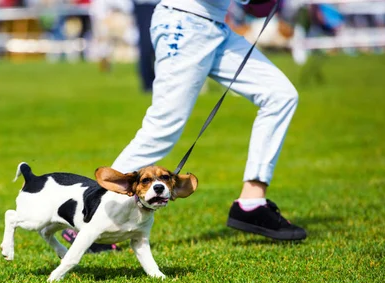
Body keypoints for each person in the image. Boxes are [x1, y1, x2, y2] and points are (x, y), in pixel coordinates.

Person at [110, 0, 307, 241]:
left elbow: (257, 7)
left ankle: (252, 203)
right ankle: (96, 214)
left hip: (216, 25)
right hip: (184, 22)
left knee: (280, 95)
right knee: (161, 129)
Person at [132, 0, 160, 92]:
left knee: (154, 45)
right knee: (146, 44)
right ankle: (148, 82)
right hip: (144, 5)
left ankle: (155, 80)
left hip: (159, 4)